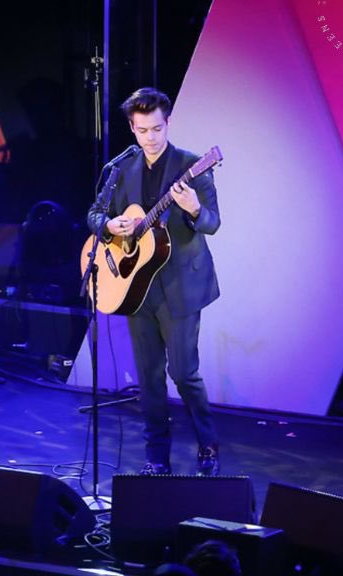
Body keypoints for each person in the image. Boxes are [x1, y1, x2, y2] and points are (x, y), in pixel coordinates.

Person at [87, 87, 221, 476]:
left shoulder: (192, 165)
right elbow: (94, 215)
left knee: (183, 373)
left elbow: (213, 223)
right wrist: (110, 224)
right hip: (135, 286)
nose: (151, 138)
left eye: (158, 129)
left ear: (167, 124)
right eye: (143, 130)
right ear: (132, 128)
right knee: (148, 377)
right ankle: (156, 457)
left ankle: (208, 446)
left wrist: (194, 207)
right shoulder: (120, 170)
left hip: (180, 287)